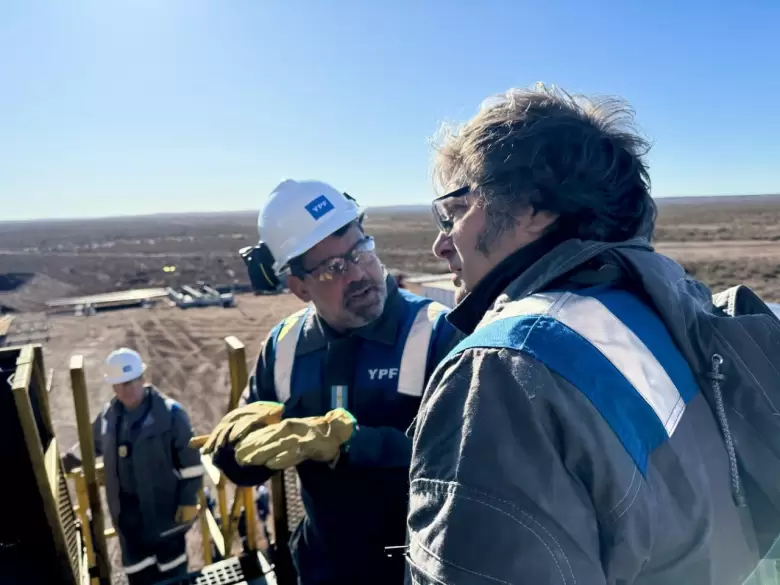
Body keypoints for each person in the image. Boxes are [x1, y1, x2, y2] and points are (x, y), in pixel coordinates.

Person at [406, 85, 761, 585]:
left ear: (534, 206)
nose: (442, 243)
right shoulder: (658, 312)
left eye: (455, 211)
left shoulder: (507, 368)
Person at [201, 179, 461, 585]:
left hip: (417, 567)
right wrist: (235, 450)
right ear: (299, 287)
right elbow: (250, 453)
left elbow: (464, 461)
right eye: (332, 268)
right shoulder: (284, 347)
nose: (358, 273)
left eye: (361, 250)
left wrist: (352, 443)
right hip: (323, 566)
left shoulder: (438, 334)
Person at [63, 348, 203, 585]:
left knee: (174, 577)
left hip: (166, 518)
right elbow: (92, 443)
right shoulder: (109, 416)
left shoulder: (170, 414)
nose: (126, 389)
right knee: (140, 578)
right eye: (120, 384)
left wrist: (189, 500)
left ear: (142, 378)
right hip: (129, 524)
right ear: (113, 387)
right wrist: (70, 459)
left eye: (131, 381)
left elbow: (192, 464)